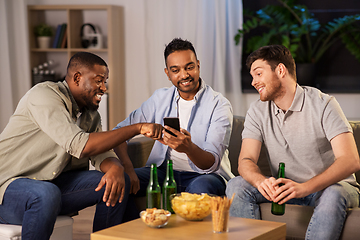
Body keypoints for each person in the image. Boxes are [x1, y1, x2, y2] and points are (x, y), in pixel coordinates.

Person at [0, 52, 163, 240]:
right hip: (9, 187)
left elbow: (102, 154)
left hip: (52, 184)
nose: (104, 88)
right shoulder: (43, 95)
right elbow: (80, 145)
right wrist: (137, 128)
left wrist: (117, 168)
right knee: (46, 193)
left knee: (119, 181)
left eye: (105, 81)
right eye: (99, 81)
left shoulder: (90, 115)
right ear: (77, 78)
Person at [226, 45, 360, 240]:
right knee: (236, 185)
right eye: (252, 76)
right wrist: (261, 181)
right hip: (285, 189)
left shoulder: (324, 104)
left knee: (333, 194)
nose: (254, 82)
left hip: (331, 188)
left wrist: (304, 187)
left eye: (258, 74)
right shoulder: (257, 110)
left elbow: (350, 160)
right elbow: (246, 159)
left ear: (280, 70)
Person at [113, 38, 234, 203]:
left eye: (189, 67)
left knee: (200, 190)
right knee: (120, 182)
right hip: (163, 172)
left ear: (198, 65)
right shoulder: (159, 99)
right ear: (167, 73)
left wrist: (188, 148)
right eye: (175, 70)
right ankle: (128, 229)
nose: (184, 75)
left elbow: (210, 164)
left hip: (205, 176)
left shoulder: (219, 104)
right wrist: (127, 168)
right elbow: (118, 133)